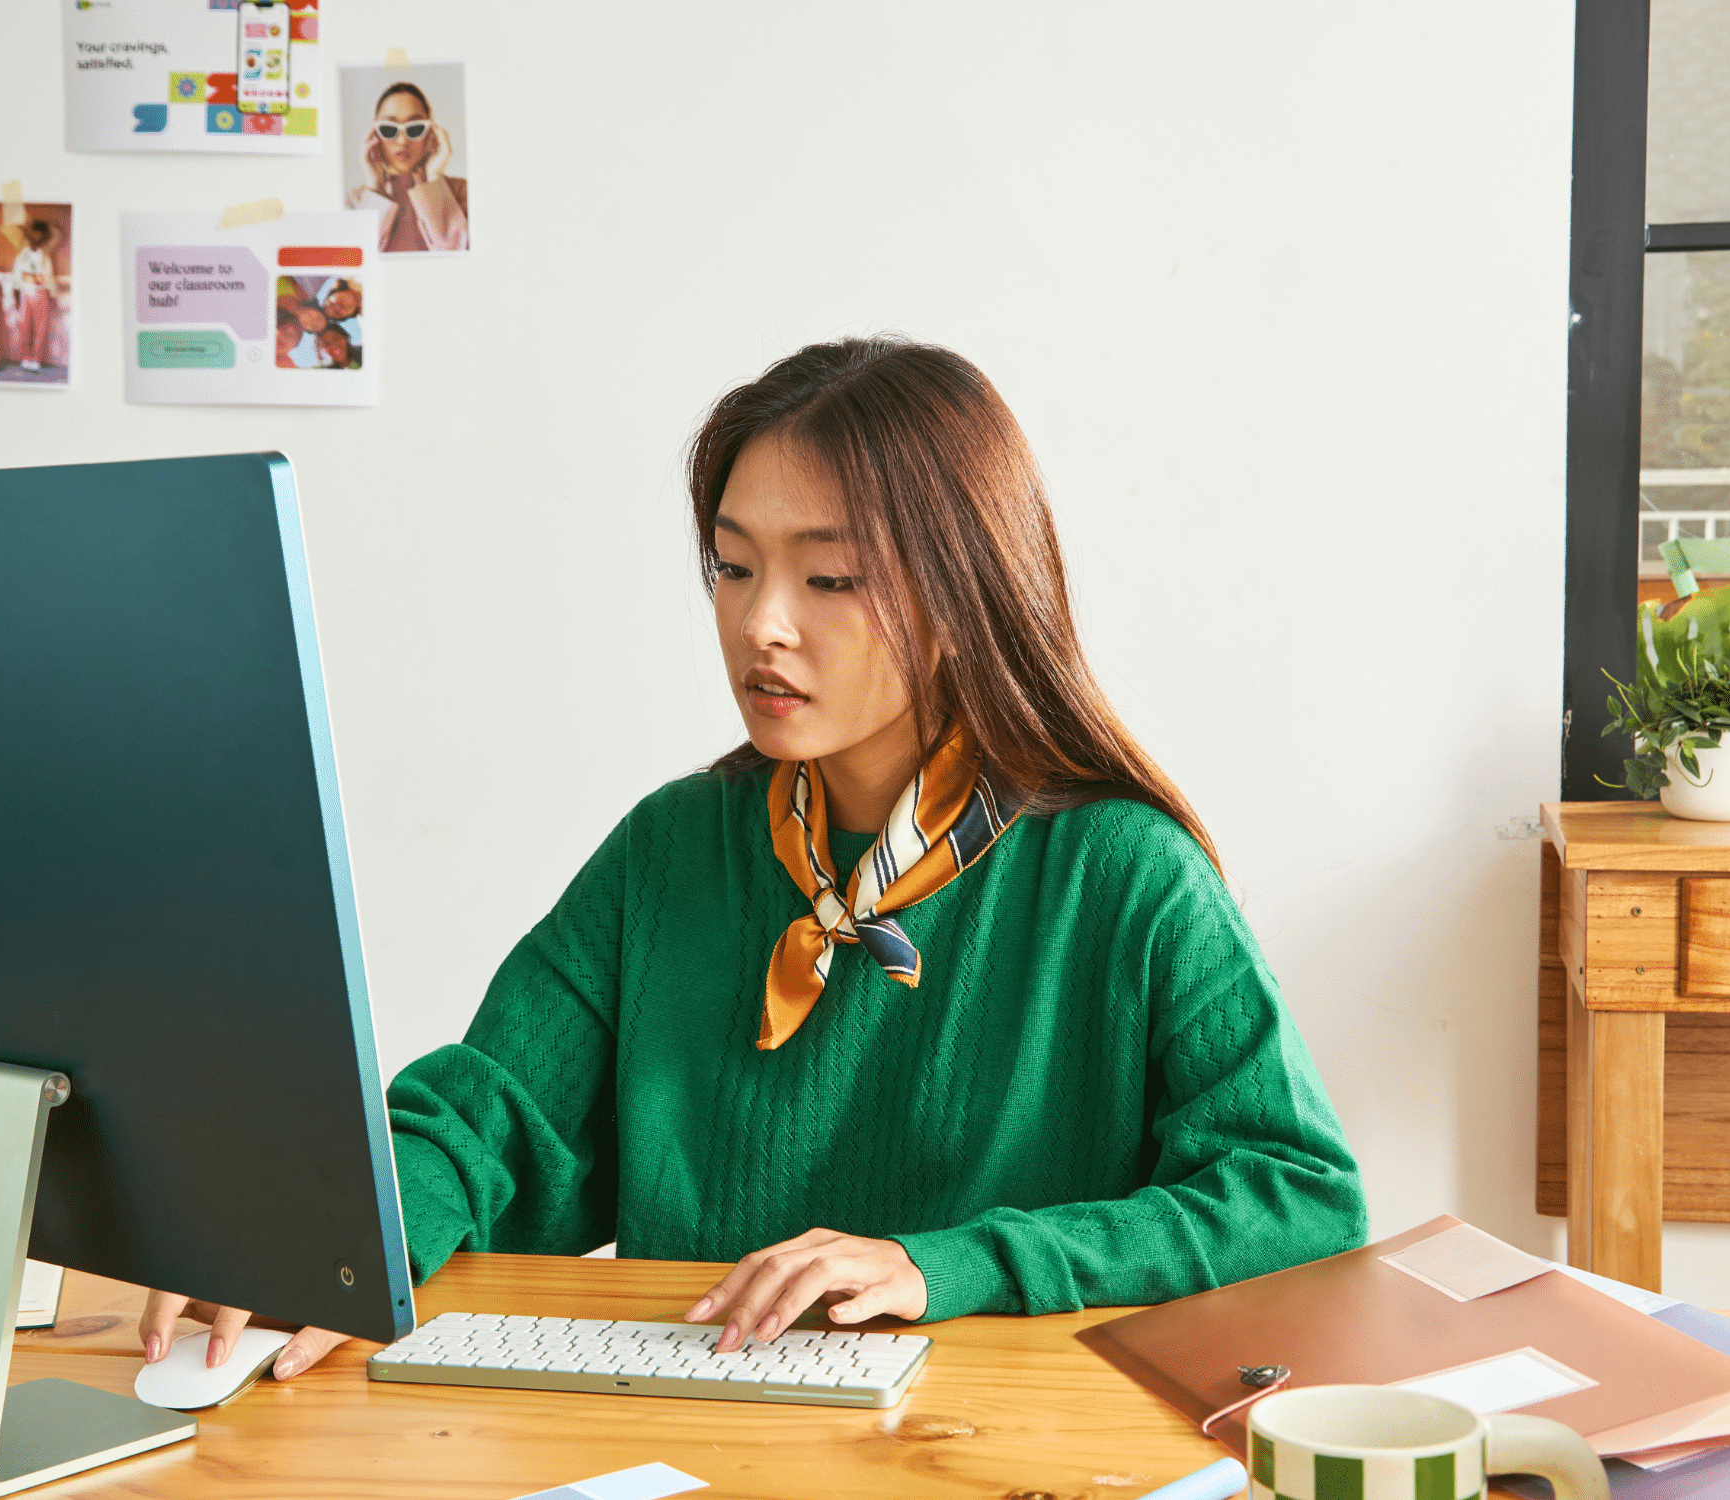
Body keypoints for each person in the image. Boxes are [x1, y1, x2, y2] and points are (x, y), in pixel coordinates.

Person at [140, 337, 1365, 1381]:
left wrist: (943, 1266)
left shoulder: (1122, 875)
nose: (759, 623)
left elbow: (1297, 1201)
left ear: (965, 595)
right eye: (731, 565)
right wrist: (339, 1231)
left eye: (830, 576)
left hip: (997, 1452)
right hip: (705, 1428)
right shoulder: (674, 849)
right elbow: (492, 1115)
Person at [347, 82, 469, 253]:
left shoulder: (462, 192)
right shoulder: (353, 201)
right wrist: (374, 186)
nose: (402, 140)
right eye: (388, 129)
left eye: (415, 128)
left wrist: (434, 177)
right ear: (374, 133)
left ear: (431, 131)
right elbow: (358, 258)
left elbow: (457, 255)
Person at [14, 220, 58, 373]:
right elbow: (18, 272)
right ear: (30, 233)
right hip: (26, 292)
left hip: (41, 291)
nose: (36, 235)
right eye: (34, 232)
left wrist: (46, 229)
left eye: (40, 233)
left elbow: (58, 234)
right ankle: (26, 357)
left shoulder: (45, 250)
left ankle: (36, 360)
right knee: (24, 326)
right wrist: (27, 230)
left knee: (40, 328)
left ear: (43, 234)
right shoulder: (24, 251)